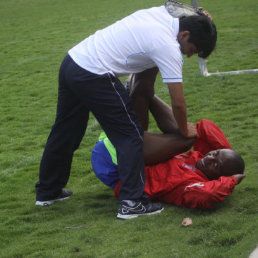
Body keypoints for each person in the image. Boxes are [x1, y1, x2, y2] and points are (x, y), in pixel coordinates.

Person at [35, 2, 217, 219]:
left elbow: (176, 6)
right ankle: (132, 202)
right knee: (130, 135)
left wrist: (203, 19)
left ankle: (48, 192)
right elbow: (178, 102)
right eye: (192, 50)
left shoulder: (161, 16)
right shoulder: (167, 46)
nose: (188, 55)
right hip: (94, 73)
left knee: (66, 132)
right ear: (184, 34)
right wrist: (185, 131)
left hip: (73, 62)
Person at [92, 119, 245, 213]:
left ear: (218, 177)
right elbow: (204, 126)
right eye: (215, 153)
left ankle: (141, 90)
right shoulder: (197, 158)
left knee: (185, 139)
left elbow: (208, 196)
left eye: (216, 164)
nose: (211, 157)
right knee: (188, 136)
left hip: (116, 170)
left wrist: (231, 180)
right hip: (118, 150)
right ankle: (142, 92)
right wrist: (227, 152)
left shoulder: (193, 184)